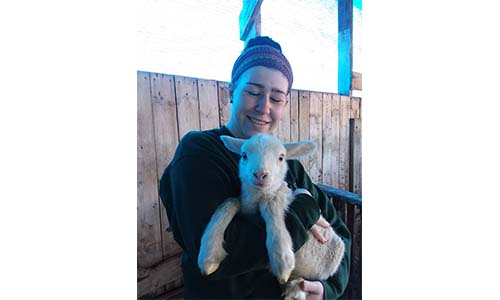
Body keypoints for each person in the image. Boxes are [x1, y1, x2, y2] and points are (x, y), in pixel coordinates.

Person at [159, 36, 351, 299]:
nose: (264, 107)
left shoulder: (288, 165)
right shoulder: (199, 152)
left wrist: (326, 289)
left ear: (285, 104)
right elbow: (227, 255)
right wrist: (304, 209)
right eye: (253, 92)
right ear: (231, 91)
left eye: (277, 98)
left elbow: (340, 232)